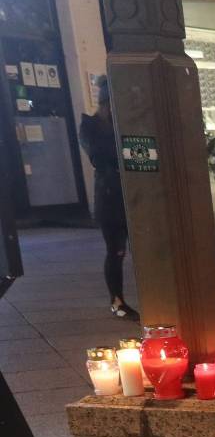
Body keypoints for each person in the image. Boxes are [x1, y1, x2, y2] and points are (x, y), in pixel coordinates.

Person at [78, 77, 138, 321]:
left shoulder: (130, 123)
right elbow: (98, 156)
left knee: (144, 249)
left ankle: (151, 294)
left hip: (135, 194)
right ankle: (117, 299)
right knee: (116, 250)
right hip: (110, 197)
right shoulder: (91, 125)